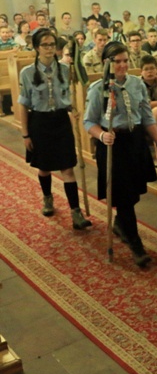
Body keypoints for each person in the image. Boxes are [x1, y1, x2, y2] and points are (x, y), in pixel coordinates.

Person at [84, 41, 157, 267]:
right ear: (106, 63)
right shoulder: (98, 89)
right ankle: (135, 243)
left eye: (124, 61)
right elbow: (88, 121)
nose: (121, 66)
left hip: (134, 141)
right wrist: (101, 135)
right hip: (112, 143)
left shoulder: (136, 84)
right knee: (123, 197)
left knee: (134, 192)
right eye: (116, 62)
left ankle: (121, 223)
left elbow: (147, 116)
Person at [18, 29, 92, 229]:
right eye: (45, 45)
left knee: (67, 167)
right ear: (36, 48)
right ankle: (47, 197)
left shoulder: (65, 69)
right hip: (40, 123)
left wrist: (73, 108)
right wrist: (25, 134)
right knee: (44, 167)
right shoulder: (27, 73)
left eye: (52, 45)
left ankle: (75, 212)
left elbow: (66, 98)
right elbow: (23, 105)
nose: (50, 49)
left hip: (60, 121)